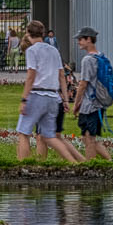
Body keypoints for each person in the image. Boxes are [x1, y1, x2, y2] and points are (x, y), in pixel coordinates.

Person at [12, 21, 83, 164]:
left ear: (28, 33)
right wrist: (64, 99)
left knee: (23, 132)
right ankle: (74, 163)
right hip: (53, 96)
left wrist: (24, 99)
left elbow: (31, 75)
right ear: (43, 33)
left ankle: (24, 165)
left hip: (37, 94)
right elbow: (61, 75)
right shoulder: (53, 50)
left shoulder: (32, 50)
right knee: (49, 136)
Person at [69, 27, 113, 161]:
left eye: (81, 39)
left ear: (89, 39)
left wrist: (76, 104)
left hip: (90, 104)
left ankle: (90, 165)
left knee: (88, 138)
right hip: (99, 102)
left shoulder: (87, 60)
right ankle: (109, 161)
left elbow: (83, 84)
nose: (78, 42)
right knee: (89, 137)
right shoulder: (101, 56)